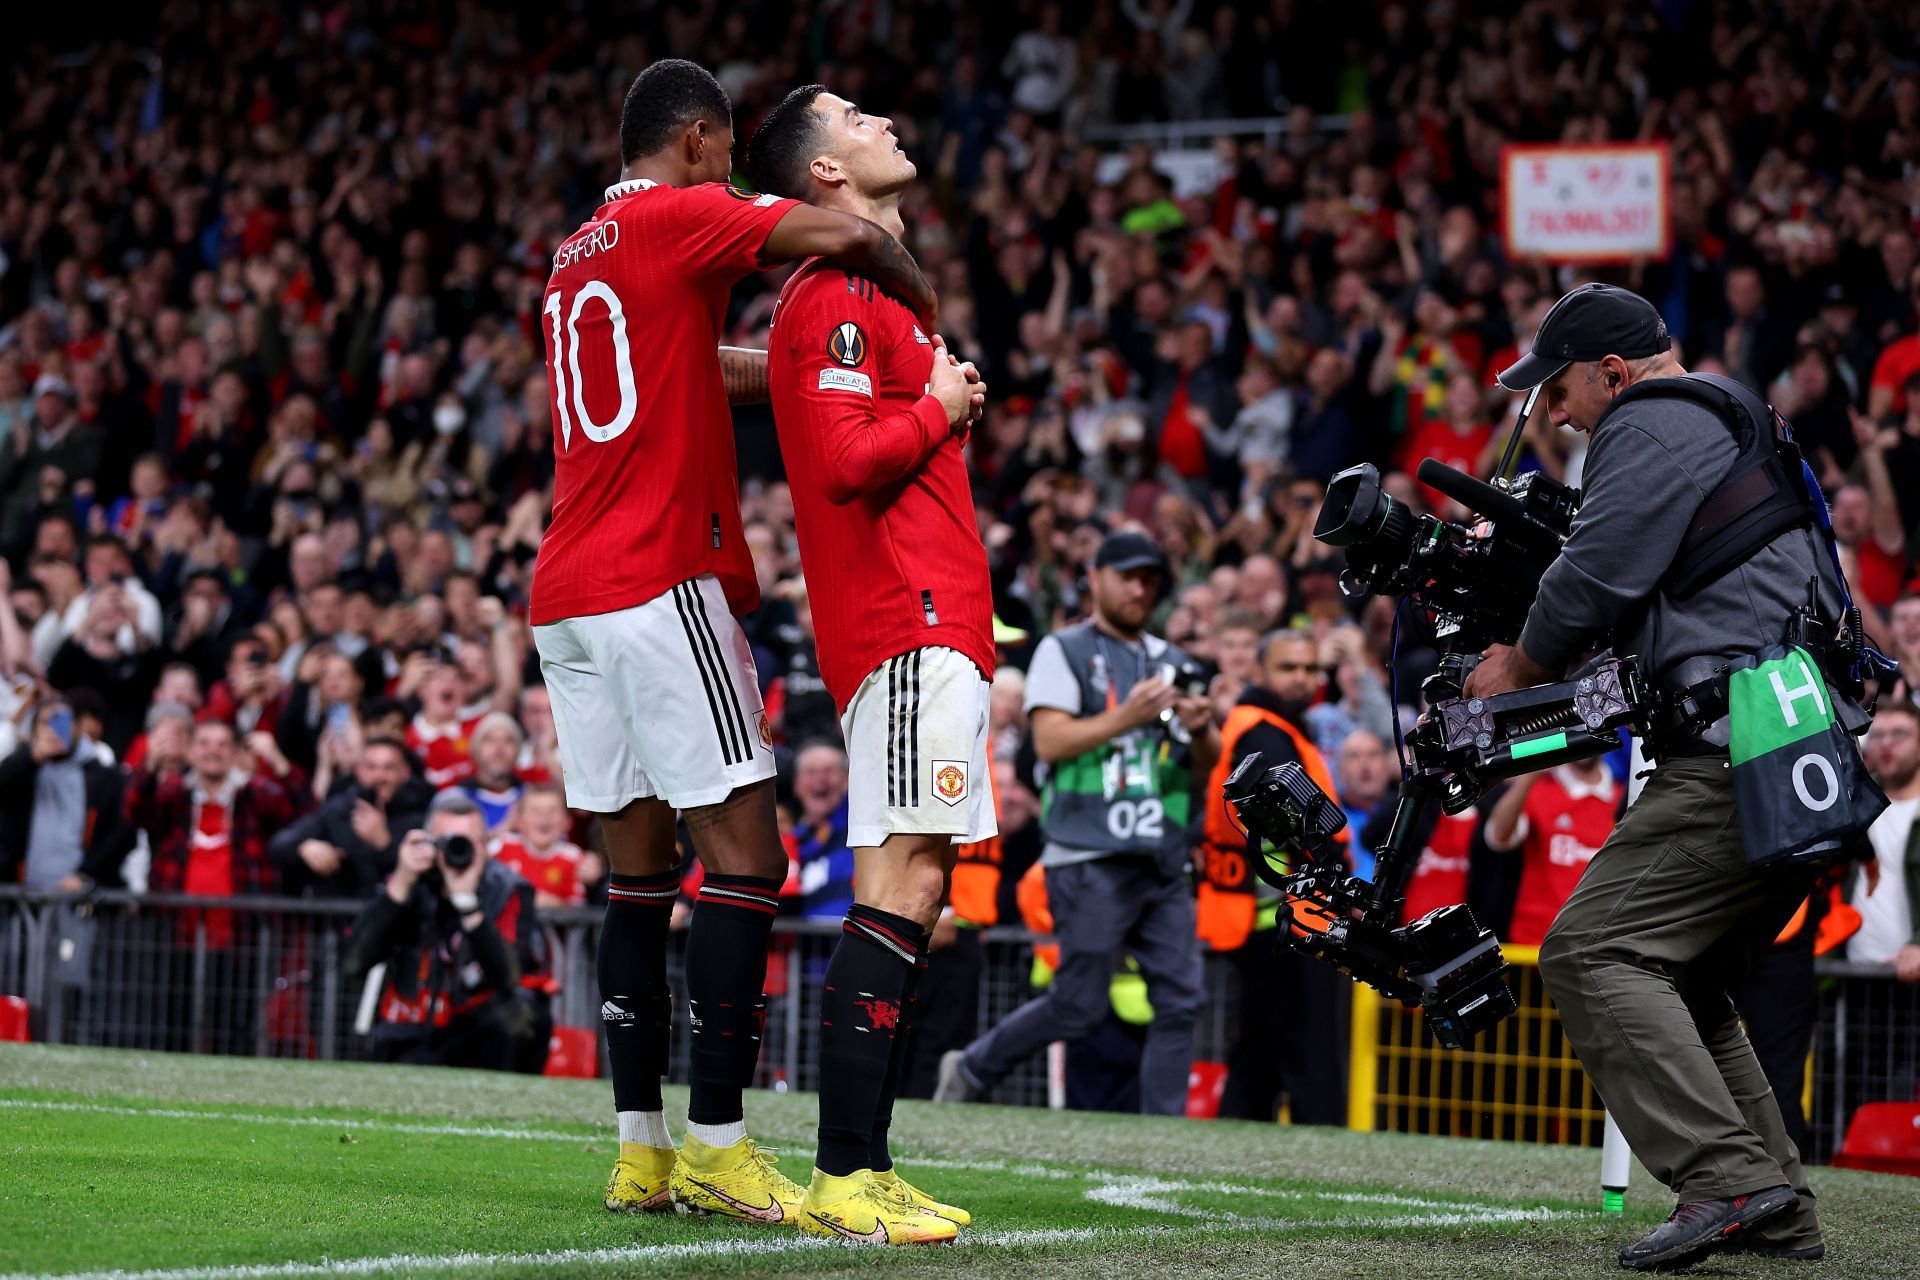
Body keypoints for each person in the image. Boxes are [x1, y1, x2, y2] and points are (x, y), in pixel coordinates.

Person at [523, 59, 937, 1227]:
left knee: (639, 877)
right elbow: (839, 234)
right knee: (747, 861)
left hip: (566, 587)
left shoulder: (576, 254)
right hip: (658, 578)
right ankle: (719, 1142)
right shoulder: (684, 212)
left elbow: (696, 371)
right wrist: (915, 290)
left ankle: (640, 1150)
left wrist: (797, 373)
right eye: (725, 145)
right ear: (702, 142)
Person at [1468, 283, 1841, 1268]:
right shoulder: (1729, 412)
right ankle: (1780, 1205)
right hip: (1792, 738)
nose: (1550, 413)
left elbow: (1597, 570)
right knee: (1680, 974)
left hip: (1741, 743)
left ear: (1611, 373)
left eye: (1556, 390)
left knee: (1592, 951)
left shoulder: (1654, 416)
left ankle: (1725, 1177)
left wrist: (1518, 663)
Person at [749, 82, 994, 1244]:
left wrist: (938, 395)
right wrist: (940, 406)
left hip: (935, 618)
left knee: (922, 887)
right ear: (826, 176)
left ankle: (870, 1163)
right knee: (898, 885)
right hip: (904, 615)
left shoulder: (878, 292)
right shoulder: (836, 293)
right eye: (854, 118)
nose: (885, 120)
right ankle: (841, 1171)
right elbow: (848, 464)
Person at [935, 531, 1217, 1116]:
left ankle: (1168, 1136)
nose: (1140, 588)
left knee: (1181, 1001)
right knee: (1080, 1005)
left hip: (1161, 853)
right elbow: (1051, 740)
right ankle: (971, 1066)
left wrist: (1201, 729)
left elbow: (1202, 768)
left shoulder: (1176, 662)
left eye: (1151, 579)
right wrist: (1126, 716)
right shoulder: (1061, 649)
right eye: (1128, 576)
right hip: (1087, 852)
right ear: (1097, 578)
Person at [1201, 629, 1350, 1124]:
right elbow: (1297, 819)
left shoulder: (1266, 726)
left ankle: (1237, 1134)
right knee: (1309, 1052)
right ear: (1259, 673)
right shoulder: (1265, 731)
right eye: (1289, 668)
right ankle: (1324, 1152)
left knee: (1259, 1050)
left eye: (1311, 669)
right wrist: (1339, 876)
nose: (1303, 678)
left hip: (1265, 917)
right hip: (1289, 918)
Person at [124, 718, 303, 1053]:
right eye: (204, 743)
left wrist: (279, 764)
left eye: (223, 745)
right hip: (177, 931)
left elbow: (297, 811)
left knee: (235, 1024)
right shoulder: (174, 795)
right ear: (190, 751)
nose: (213, 752)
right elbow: (136, 810)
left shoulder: (253, 796)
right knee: (174, 1021)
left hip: (240, 935)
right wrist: (150, 764)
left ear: (236, 752)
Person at [342, 792, 544, 1071]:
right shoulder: (410, 881)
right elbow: (353, 963)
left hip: (475, 1025)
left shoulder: (508, 887)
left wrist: (467, 901)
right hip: (413, 1025)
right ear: (429, 844)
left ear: (486, 844)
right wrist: (400, 885)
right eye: (447, 841)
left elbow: (510, 977)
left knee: (521, 1010)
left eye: (470, 842)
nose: (457, 851)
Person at [1481, 754, 1620, 948]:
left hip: (1598, 950)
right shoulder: (1540, 789)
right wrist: (1530, 775)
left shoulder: (1625, 797)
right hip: (1535, 949)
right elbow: (1497, 837)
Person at [266, 737, 430, 898]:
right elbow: (278, 845)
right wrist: (302, 847)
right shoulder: (339, 808)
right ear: (358, 770)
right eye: (371, 767)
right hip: (341, 917)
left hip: (399, 917)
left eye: (389, 768)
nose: (380, 776)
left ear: (405, 772)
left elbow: (429, 874)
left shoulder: (422, 812)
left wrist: (384, 845)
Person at [0, 696, 135, 890]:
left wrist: (87, 875)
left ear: (78, 727)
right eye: (46, 723)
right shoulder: (22, 768)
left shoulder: (104, 776)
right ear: (34, 729)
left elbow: (121, 833)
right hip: (21, 897)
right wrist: (30, 757)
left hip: (79, 898)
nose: (55, 730)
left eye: (62, 722)